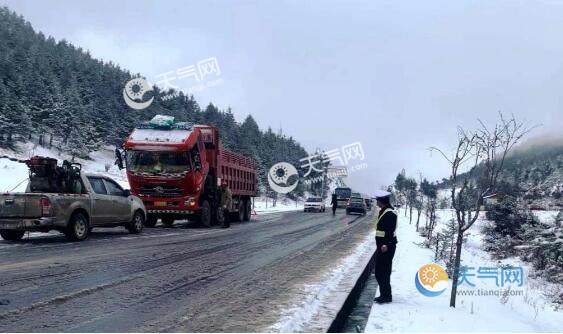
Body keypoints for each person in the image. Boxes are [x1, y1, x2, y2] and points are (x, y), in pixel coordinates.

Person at [373, 191, 397, 304]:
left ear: (381, 201)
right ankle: (384, 294)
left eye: (377, 200)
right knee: (380, 271)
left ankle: (387, 296)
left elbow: (390, 230)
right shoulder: (384, 211)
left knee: (382, 271)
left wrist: (385, 244)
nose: (376, 202)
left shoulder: (390, 213)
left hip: (386, 247)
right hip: (382, 247)